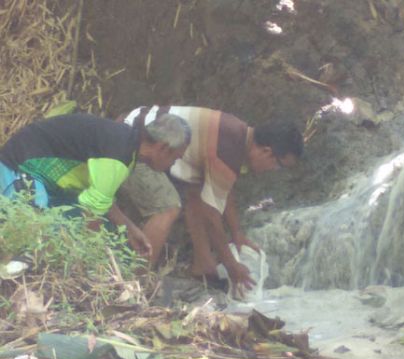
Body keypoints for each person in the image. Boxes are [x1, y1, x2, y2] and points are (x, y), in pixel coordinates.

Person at [117, 106, 303, 296]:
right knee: (167, 208)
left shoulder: (238, 137)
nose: (273, 171)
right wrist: (232, 267)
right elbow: (211, 217)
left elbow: (222, 191)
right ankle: (134, 286)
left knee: (197, 195)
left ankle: (203, 267)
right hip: (136, 142)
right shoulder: (228, 150)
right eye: (279, 166)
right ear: (267, 152)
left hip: (138, 129)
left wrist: (236, 233)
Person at [0, 113, 191, 257]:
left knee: (107, 230)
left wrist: (130, 228)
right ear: (163, 148)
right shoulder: (119, 156)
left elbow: (101, 200)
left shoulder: (127, 145)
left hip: (47, 182)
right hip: (19, 169)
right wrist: (96, 259)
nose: (173, 164)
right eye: (175, 158)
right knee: (35, 236)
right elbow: (90, 213)